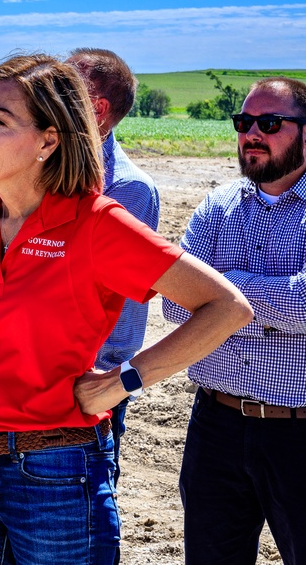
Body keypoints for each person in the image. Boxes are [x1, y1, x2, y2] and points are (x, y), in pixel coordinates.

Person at [0, 54, 252, 564]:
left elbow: (226, 306)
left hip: (57, 471)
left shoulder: (97, 224)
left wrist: (123, 382)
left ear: (49, 141)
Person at [164, 77, 306, 565]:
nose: (251, 134)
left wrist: (222, 299)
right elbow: (175, 305)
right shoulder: (217, 205)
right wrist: (270, 304)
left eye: (269, 123)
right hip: (215, 425)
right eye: (244, 123)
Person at [66, 48, 161, 477]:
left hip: (89, 380)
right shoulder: (48, 166)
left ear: (98, 110)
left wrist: (104, 384)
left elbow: (106, 294)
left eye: (67, 88)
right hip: (37, 371)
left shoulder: (128, 190)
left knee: (83, 517)